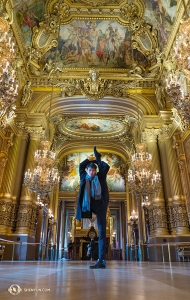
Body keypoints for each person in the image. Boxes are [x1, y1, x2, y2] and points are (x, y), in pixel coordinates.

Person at [76, 146, 110, 269]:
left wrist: (97, 160)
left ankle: (101, 260)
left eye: (94, 171)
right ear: (87, 171)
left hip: (100, 206)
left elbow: (106, 167)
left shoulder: (100, 177)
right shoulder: (83, 177)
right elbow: (80, 166)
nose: (92, 172)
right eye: (90, 170)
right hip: (88, 206)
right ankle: (100, 260)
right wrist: (90, 159)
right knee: (83, 221)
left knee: (102, 233)